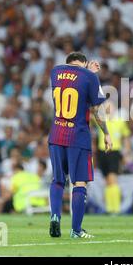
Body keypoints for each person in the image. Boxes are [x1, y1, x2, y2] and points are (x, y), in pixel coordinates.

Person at [48, 52, 112, 239]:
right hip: (78, 136)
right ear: (83, 63)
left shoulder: (55, 72)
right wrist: (106, 133)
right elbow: (96, 109)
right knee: (79, 182)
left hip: (56, 134)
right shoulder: (89, 76)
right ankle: (76, 230)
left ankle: (55, 216)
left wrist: (87, 73)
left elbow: (72, 81)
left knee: (58, 180)